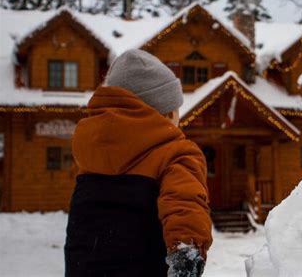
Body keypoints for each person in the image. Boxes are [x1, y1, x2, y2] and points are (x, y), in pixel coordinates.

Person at [64, 49, 212, 277]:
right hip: (145, 266)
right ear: (167, 113)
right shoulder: (176, 152)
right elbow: (185, 203)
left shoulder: (91, 152)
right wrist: (187, 257)